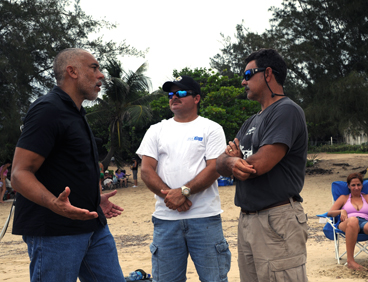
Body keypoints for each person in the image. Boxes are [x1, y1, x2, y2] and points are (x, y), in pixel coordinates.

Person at [11, 48, 126, 281]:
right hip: (54, 231)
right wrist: (55, 204)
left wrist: (93, 199)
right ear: (72, 71)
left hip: (93, 225)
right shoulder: (48, 109)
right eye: (94, 68)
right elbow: (19, 174)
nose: (101, 75)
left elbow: (69, 168)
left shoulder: (76, 112)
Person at [216, 48, 309, 282]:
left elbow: (257, 165)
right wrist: (231, 161)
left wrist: (236, 162)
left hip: (276, 219)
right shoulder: (251, 121)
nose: (242, 81)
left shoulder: (286, 110)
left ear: (268, 73)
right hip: (248, 220)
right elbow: (219, 163)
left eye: (248, 75)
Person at [137, 75, 231, 281]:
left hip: (204, 218)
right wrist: (171, 197)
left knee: (214, 279)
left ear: (196, 98)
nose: (174, 97)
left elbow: (215, 167)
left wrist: (184, 192)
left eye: (180, 93)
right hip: (165, 219)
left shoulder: (211, 128)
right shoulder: (156, 130)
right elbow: (146, 170)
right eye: (171, 94)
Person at [328, 173, 368, 273]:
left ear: (362, 185)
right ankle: (350, 261)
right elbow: (330, 213)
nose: (356, 188)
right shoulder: (343, 198)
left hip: (364, 223)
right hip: (347, 223)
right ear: (348, 186)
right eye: (353, 185)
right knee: (353, 220)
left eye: (358, 185)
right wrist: (341, 211)